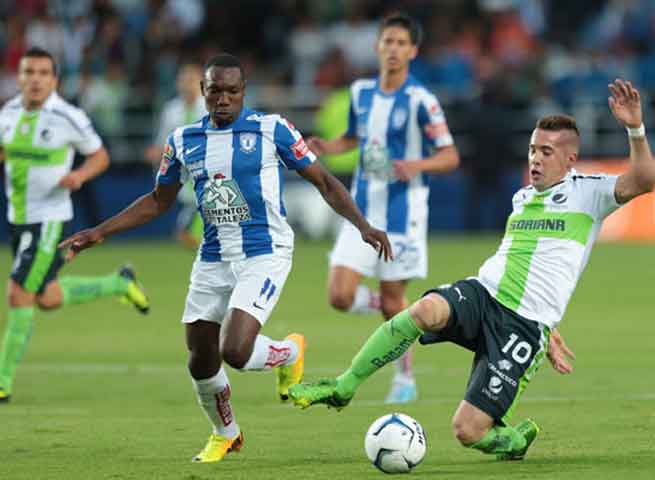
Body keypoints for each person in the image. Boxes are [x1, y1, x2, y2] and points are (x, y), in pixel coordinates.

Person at [289, 78, 655, 461]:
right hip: (484, 293)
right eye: (532, 150)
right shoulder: (522, 197)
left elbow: (645, 180)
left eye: (546, 152)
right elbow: (524, 261)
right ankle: (344, 386)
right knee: (424, 310)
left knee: (467, 431)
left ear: (569, 159)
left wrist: (635, 128)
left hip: (523, 326)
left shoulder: (590, 193)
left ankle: (512, 441)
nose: (535, 159)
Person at [59, 53, 392, 463]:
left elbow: (323, 181)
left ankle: (288, 353)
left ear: (243, 92)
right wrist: (99, 231)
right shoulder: (183, 140)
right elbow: (159, 200)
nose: (223, 98)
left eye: (232, 91)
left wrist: (362, 226)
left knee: (234, 350)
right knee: (200, 358)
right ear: (203, 90)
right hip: (213, 256)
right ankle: (226, 434)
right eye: (215, 90)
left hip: (265, 252)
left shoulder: (272, 129)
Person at [306, 13, 460, 404]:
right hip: (361, 211)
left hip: (403, 215)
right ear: (378, 46)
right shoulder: (361, 92)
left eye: (400, 43)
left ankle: (404, 378)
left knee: (393, 299)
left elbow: (450, 156)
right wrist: (328, 146)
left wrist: (417, 165)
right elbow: (354, 138)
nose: (393, 49)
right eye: (387, 41)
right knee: (339, 295)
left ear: (413, 51)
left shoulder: (422, 100)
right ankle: (408, 314)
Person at [0, 47, 149, 403]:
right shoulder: (7, 114)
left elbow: (100, 155)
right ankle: (118, 283)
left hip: (49, 221)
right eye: (28, 72)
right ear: (19, 77)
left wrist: (79, 176)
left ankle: (2, 382)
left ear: (54, 80)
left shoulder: (68, 116)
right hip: (18, 219)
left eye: (43, 73)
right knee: (47, 297)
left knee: (18, 293)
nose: (35, 80)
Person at [144, 62, 207, 249]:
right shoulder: (171, 109)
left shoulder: (211, 106)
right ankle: (196, 236)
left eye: (191, 80)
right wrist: (156, 151)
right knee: (190, 205)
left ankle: (195, 235)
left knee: (199, 204)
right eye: (183, 80)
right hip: (182, 167)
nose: (186, 85)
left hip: (207, 165)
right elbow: (164, 138)